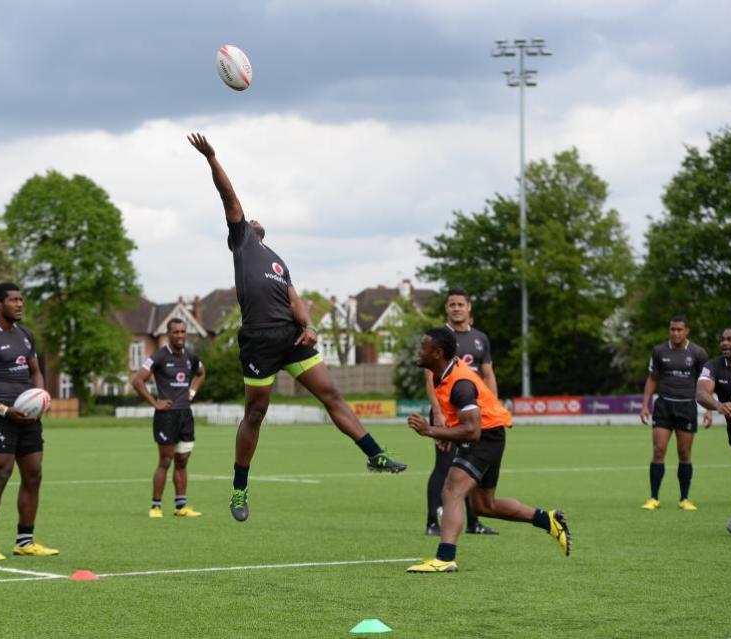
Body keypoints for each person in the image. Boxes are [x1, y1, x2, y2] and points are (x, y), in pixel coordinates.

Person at [188, 132, 406, 523]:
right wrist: (212, 159)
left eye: (253, 220)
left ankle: (375, 453)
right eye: (246, 218)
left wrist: (309, 326)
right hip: (259, 341)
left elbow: (294, 298)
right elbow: (229, 198)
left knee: (332, 396)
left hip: (292, 337)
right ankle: (239, 488)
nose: (250, 217)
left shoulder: (276, 260)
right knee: (255, 415)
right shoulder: (242, 242)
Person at [406, 327, 571, 573]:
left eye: (423, 347)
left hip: (485, 436)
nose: (419, 351)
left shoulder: (461, 383)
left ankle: (445, 558)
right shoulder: (443, 372)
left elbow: (472, 430)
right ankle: (547, 519)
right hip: (489, 433)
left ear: (438, 353)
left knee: (451, 491)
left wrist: (431, 431)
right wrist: (445, 432)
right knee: (484, 506)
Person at [0, 282, 58, 561]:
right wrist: (4, 409)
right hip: (1, 418)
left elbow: (36, 372)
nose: (19, 304)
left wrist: (40, 398)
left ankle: (25, 541)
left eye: (21, 299)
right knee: (0, 476)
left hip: (28, 418)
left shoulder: (26, 335)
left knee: (34, 475)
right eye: (13, 300)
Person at [424, 288, 499, 537]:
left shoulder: (480, 338)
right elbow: (429, 376)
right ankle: (433, 521)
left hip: (475, 412)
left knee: (473, 466)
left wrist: (494, 408)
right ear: (446, 308)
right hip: (448, 411)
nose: (456, 308)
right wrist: (438, 412)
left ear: (469, 307)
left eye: (460, 304)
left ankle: (474, 523)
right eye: (452, 304)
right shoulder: (440, 338)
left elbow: (488, 374)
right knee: (445, 465)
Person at [131, 318, 206, 518]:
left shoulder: (191, 356)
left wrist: (192, 392)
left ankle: (181, 506)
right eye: (176, 332)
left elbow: (201, 373)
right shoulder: (158, 356)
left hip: (185, 415)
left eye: (183, 332)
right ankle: (156, 506)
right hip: (166, 416)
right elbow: (137, 380)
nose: (180, 336)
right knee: (165, 460)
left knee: (182, 461)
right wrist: (154, 403)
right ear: (168, 334)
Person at [639, 315, 708, 511]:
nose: (675, 333)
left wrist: (710, 409)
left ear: (687, 331)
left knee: (684, 453)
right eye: (672, 329)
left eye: (679, 329)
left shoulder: (698, 353)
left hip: (687, 407)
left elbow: (705, 383)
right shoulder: (659, 351)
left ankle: (684, 498)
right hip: (664, 407)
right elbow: (652, 379)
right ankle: (653, 498)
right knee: (659, 450)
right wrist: (645, 405)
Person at [695, 326, 731, 532]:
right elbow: (701, 393)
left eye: (730, 339)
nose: (724, 343)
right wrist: (719, 405)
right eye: (723, 339)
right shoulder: (713, 366)